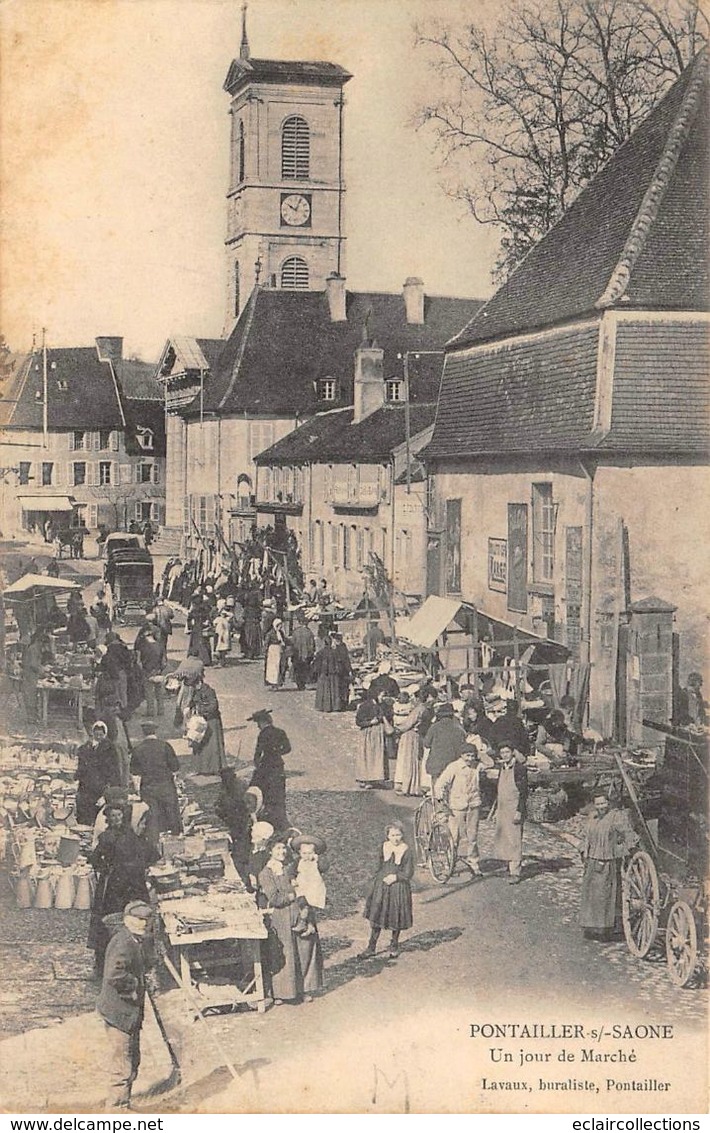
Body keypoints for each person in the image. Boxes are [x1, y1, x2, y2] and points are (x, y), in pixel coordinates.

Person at [96, 900, 154, 1110]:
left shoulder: (134, 940)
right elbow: (115, 975)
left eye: (147, 920)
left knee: (132, 1058)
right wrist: (136, 984)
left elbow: (138, 962)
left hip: (129, 1011)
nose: (143, 924)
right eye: (138, 920)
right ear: (127, 920)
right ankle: (117, 1109)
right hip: (119, 1011)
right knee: (121, 1064)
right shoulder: (123, 943)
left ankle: (124, 1102)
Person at [88, 803, 157, 974]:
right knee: (118, 921)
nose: (117, 819)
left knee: (130, 921)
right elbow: (95, 858)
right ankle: (113, 961)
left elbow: (152, 856)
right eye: (113, 816)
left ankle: (129, 959)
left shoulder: (133, 837)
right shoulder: (111, 837)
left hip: (128, 884)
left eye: (119, 816)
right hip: (117, 886)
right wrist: (106, 869)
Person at [257, 837, 322, 1005]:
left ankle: (305, 989)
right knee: (285, 953)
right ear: (270, 851)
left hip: (301, 909)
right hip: (281, 916)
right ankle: (282, 993)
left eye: (284, 849)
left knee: (305, 949)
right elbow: (275, 898)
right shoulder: (266, 873)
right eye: (278, 849)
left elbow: (310, 880)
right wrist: (293, 895)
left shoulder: (291, 867)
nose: (282, 852)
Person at [579, 792, 639, 940]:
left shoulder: (615, 817)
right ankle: (590, 927)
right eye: (598, 804)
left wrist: (621, 851)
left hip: (606, 861)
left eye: (603, 803)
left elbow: (629, 835)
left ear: (608, 803)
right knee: (590, 895)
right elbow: (585, 836)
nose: (601, 807)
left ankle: (604, 929)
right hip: (591, 861)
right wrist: (582, 850)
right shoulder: (592, 817)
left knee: (603, 896)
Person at [435, 741, 493, 875]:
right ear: (461, 755)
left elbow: (490, 764)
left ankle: (473, 861)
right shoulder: (454, 767)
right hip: (457, 806)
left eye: (472, 756)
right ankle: (449, 863)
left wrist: (480, 753)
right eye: (467, 756)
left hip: (474, 804)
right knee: (454, 836)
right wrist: (440, 799)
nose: (470, 759)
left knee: (472, 835)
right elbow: (440, 783)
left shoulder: (477, 766)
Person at [360, 822, 414, 960]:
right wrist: (376, 880)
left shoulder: (406, 850)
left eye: (398, 835)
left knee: (396, 915)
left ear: (402, 835)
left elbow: (408, 872)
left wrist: (396, 877)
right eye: (392, 835)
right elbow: (378, 865)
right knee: (377, 913)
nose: (396, 838)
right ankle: (371, 947)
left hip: (398, 887)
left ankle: (394, 945)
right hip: (382, 885)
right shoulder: (384, 847)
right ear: (388, 836)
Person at [130, 721, 182, 834]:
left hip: (149, 789)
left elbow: (134, 772)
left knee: (153, 822)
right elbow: (175, 767)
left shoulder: (138, 749)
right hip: (166, 787)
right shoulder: (165, 746)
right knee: (171, 817)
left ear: (143, 733)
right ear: (155, 731)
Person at [248, 708, 291, 830]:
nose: (258, 727)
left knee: (262, 793)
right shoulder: (280, 732)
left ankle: (265, 819)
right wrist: (277, 752)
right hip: (278, 766)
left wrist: (257, 764)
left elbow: (258, 753)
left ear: (262, 723)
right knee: (279, 794)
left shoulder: (263, 734)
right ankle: (280, 819)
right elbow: (287, 748)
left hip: (265, 767)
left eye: (258, 724)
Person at [492, 743, 529, 884]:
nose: (505, 755)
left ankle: (516, 871)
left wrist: (519, 811)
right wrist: (496, 809)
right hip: (503, 807)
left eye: (507, 752)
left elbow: (524, 793)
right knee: (504, 837)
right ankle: (509, 866)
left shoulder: (519, 769)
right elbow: (500, 790)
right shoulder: (502, 768)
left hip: (514, 807)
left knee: (514, 839)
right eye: (502, 753)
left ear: (512, 752)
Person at [76, 721, 122, 826]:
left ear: (104, 734)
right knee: (85, 809)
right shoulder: (86, 747)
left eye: (101, 735)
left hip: (102, 784)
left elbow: (114, 769)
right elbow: (81, 765)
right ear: (93, 733)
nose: (98, 737)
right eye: (96, 734)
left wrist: (111, 786)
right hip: (86, 785)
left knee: (99, 811)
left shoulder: (110, 748)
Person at [184, 672, 227, 776]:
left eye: (194, 685)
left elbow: (214, 706)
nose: (194, 687)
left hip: (212, 721)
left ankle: (215, 768)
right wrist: (189, 708)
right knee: (198, 742)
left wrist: (200, 709)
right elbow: (193, 702)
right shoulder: (195, 691)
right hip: (200, 720)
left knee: (212, 745)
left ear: (199, 682)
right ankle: (199, 768)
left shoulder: (209, 691)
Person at [216, 769, 252, 881]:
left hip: (241, 818)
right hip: (233, 818)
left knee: (242, 840)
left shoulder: (240, 786)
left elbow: (248, 803)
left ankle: (243, 859)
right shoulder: (226, 786)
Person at [393, 688, 428, 796]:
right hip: (417, 735)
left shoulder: (418, 710)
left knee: (408, 760)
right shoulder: (424, 709)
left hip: (409, 736)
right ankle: (413, 785)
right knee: (415, 761)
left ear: (418, 698)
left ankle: (407, 787)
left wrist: (396, 729)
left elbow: (407, 724)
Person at [423, 703, 466, 790]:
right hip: (453, 763)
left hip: (436, 764)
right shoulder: (459, 729)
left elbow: (426, 744)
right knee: (451, 788)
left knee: (437, 788)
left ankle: (437, 801)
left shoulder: (434, 727)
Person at [292, 833, 327, 937]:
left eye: (310, 853)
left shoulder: (316, 862)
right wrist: (292, 879)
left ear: (315, 853)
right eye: (304, 853)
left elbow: (325, 867)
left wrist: (318, 860)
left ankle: (303, 923)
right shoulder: (298, 862)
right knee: (303, 903)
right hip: (302, 886)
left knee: (309, 906)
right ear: (299, 853)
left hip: (314, 887)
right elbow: (291, 871)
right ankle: (310, 926)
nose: (307, 856)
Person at [354, 688, 390, 789]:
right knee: (368, 755)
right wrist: (370, 722)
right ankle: (366, 779)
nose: (383, 698)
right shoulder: (365, 706)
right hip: (368, 733)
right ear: (376, 695)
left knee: (377, 755)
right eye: (382, 695)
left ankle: (375, 778)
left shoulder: (382, 705)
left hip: (378, 733)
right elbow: (358, 722)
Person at [134, 627, 164, 718]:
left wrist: (141, 670)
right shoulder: (160, 645)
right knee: (159, 692)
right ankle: (161, 710)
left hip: (147, 671)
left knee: (149, 692)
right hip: (158, 671)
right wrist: (160, 669)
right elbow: (164, 661)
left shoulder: (142, 646)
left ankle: (150, 711)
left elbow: (138, 661)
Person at [20, 630, 45, 724]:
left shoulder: (36, 648)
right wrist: (42, 671)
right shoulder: (33, 649)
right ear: (38, 640)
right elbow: (33, 665)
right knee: (31, 696)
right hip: (30, 675)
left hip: (33, 675)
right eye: (41, 642)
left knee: (33, 696)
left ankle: (34, 716)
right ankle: (31, 718)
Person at [312, 634, 341, 712]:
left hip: (323, 674)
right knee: (333, 690)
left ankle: (323, 707)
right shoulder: (334, 652)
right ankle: (335, 706)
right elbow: (338, 663)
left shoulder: (320, 653)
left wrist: (316, 672)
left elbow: (316, 665)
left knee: (324, 690)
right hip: (333, 674)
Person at [290, 615, 316, 690]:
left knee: (298, 669)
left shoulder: (295, 632)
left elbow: (292, 643)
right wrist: (312, 653)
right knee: (305, 670)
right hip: (306, 655)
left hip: (297, 654)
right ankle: (303, 684)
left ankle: (299, 684)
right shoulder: (309, 632)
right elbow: (312, 645)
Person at [263, 617, 288, 688]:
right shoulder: (270, 633)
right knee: (273, 667)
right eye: (279, 625)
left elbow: (284, 640)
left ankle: (278, 682)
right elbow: (266, 643)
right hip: (272, 651)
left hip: (279, 650)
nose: (280, 627)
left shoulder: (281, 633)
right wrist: (265, 651)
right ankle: (272, 682)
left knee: (279, 666)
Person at [332, 631, 353, 710]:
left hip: (337, 671)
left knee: (339, 688)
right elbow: (346, 660)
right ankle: (344, 704)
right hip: (343, 670)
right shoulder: (343, 647)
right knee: (344, 688)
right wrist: (350, 670)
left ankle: (339, 705)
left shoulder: (334, 648)